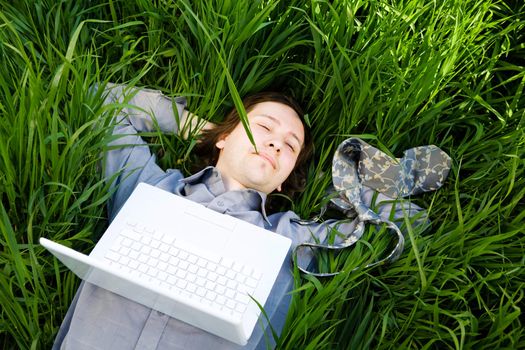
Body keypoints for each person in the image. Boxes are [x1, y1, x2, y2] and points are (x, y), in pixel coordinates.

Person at [52, 83, 421, 349]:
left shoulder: (288, 241)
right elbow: (105, 101)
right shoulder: (149, 189)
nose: (277, 142)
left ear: (283, 182)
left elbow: (409, 221)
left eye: (290, 146)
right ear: (225, 137)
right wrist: (200, 129)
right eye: (263, 127)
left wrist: (341, 186)